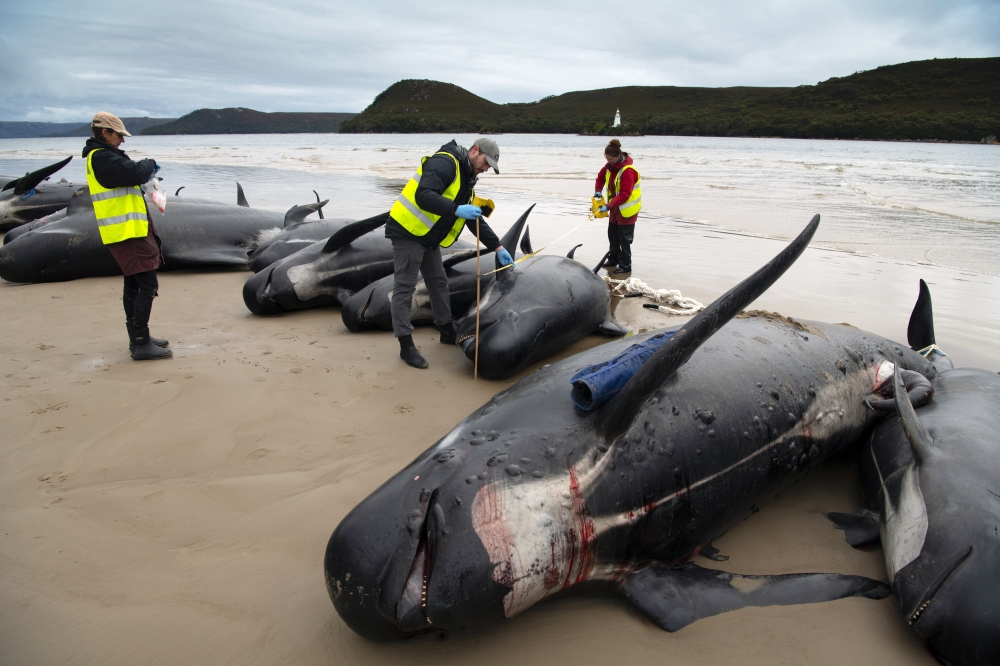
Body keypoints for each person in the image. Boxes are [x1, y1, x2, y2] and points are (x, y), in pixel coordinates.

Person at [386, 137, 514, 369]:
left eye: (489, 168)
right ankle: (406, 345)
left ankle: (446, 330)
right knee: (404, 288)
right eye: (487, 163)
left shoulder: (467, 178)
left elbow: (472, 219)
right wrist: (457, 209)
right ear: (475, 150)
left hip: (429, 237)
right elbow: (423, 196)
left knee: (438, 282)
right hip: (407, 232)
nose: (486, 169)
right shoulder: (445, 163)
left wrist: (498, 247)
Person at [83, 111, 171, 361]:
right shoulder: (101, 158)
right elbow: (135, 172)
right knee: (146, 283)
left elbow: (131, 174)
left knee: (134, 282)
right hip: (125, 231)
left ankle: (138, 336)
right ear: (105, 133)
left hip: (127, 229)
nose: (122, 140)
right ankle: (140, 342)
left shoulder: (104, 157)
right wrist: (150, 163)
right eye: (119, 135)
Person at [594, 139, 642, 274]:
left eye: (610, 159)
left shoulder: (628, 171)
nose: (608, 161)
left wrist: (608, 206)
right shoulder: (609, 166)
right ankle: (613, 259)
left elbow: (625, 194)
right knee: (613, 236)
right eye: (606, 158)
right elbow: (600, 177)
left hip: (627, 210)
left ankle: (626, 265)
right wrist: (598, 190)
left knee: (624, 240)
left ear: (617, 156)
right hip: (615, 209)